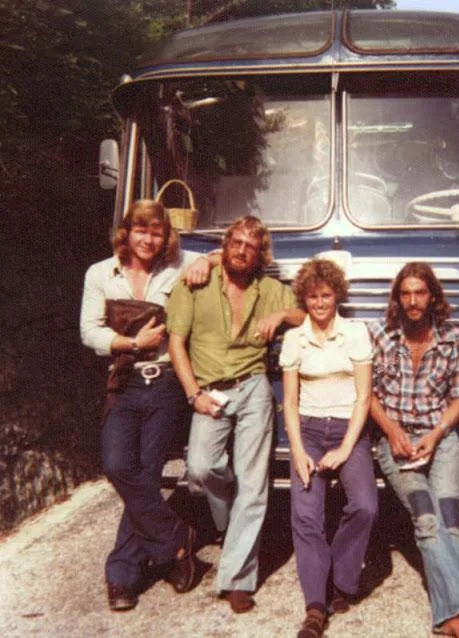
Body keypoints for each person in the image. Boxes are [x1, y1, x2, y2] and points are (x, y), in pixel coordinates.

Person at [80, 199, 216, 611]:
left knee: (145, 474)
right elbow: (89, 331)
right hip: (124, 381)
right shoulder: (101, 273)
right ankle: (175, 542)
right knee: (118, 467)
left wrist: (207, 261)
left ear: (165, 236)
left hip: (165, 385)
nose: (149, 239)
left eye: (157, 232)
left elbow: (226, 250)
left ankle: (121, 576)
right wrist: (131, 343)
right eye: (141, 230)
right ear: (127, 232)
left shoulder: (176, 266)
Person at [167, 215, 305, 613]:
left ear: (260, 255)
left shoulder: (271, 289)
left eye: (250, 245)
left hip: (254, 389)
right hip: (209, 392)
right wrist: (194, 395)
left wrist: (280, 317)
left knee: (253, 484)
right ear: (224, 247)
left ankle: (238, 579)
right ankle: (230, 526)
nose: (241, 250)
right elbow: (177, 344)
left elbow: (304, 314)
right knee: (200, 468)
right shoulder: (194, 283)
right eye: (235, 243)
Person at [368, 262, 459, 638]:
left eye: (420, 293)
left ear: (432, 296)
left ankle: (449, 615)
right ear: (397, 299)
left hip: (438, 438)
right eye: (405, 294)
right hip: (395, 441)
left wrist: (435, 435)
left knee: (450, 519)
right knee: (426, 518)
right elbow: (365, 395)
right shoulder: (380, 335)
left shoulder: (451, 339)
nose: (413, 301)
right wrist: (392, 431)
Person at [279, 259, 378, 638]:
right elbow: (289, 402)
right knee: (306, 516)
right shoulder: (294, 339)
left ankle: (342, 580)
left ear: (336, 295)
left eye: (326, 295)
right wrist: (298, 450)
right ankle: (315, 607)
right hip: (308, 430)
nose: (320, 303)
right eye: (312, 296)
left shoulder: (354, 333)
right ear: (304, 298)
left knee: (365, 505)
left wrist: (346, 447)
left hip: (347, 429)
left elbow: (364, 396)